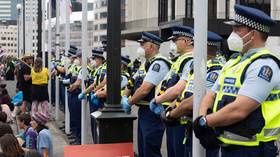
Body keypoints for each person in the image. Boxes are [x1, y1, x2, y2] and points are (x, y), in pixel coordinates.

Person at [194, 4, 280, 157]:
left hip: (253, 149)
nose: (232, 34)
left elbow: (239, 110)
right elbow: (211, 94)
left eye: (237, 29)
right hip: (230, 146)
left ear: (253, 34)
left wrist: (205, 122)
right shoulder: (234, 61)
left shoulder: (263, 66)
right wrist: (202, 121)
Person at [161, 30, 224, 157]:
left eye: (195, 46)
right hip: (189, 125)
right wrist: (171, 107)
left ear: (203, 48)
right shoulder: (198, 67)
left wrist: (172, 114)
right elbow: (184, 94)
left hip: (205, 129)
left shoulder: (215, 70)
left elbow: (196, 99)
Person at [122, 32, 171, 157]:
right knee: (143, 148)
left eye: (143, 44)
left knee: (150, 149)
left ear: (152, 46)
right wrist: (124, 97)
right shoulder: (146, 63)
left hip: (152, 112)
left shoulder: (158, 63)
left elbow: (145, 89)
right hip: (144, 111)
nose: (140, 47)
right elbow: (132, 82)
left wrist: (129, 102)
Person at [149, 25, 194, 157]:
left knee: (178, 151)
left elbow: (178, 89)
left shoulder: (190, 60)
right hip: (171, 112)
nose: (172, 44)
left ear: (186, 41)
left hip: (180, 114)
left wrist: (157, 100)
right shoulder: (180, 60)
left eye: (175, 41)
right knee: (172, 151)